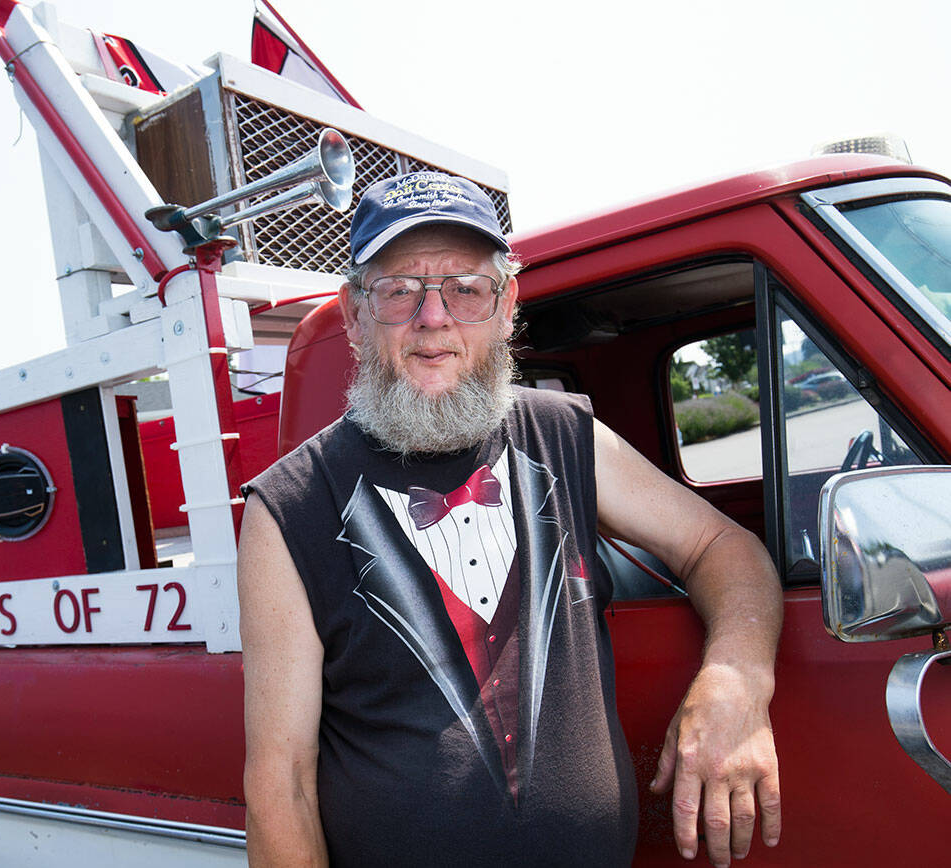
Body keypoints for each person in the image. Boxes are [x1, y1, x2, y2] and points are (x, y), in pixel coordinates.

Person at [237, 171, 781, 867]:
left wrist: (736, 678)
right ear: (353, 314)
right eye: (399, 290)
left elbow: (720, 544)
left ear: (506, 307)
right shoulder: (288, 509)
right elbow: (282, 789)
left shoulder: (566, 436)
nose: (433, 318)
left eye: (465, 288)